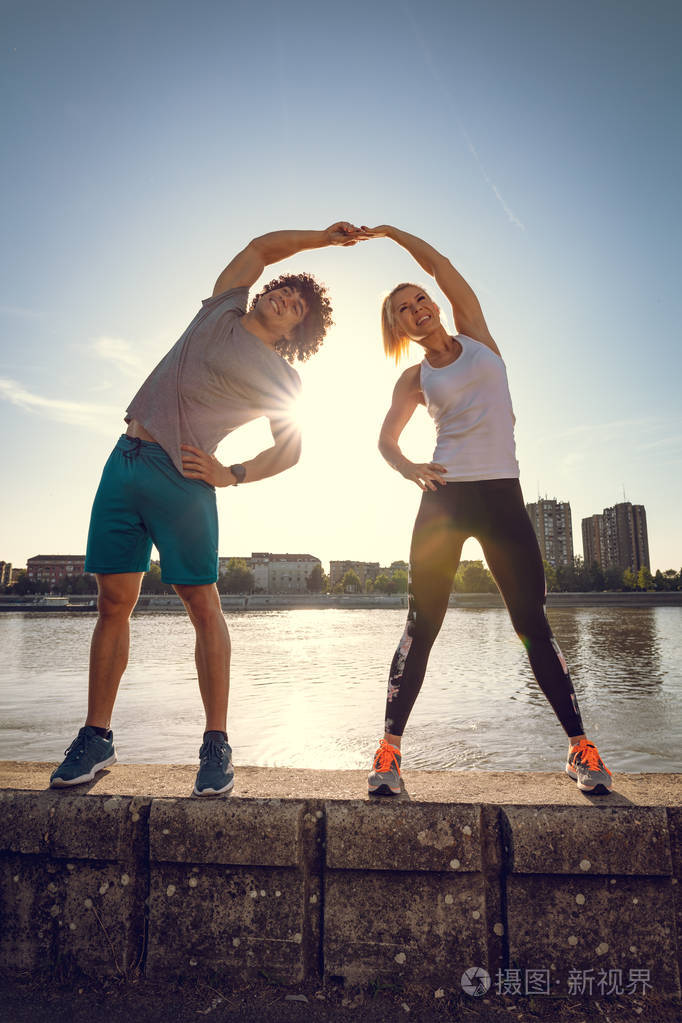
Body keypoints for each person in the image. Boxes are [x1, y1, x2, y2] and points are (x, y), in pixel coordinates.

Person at [50, 221, 366, 796]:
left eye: (299, 307)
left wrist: (232, 474)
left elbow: (291, 448)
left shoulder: (281, 374)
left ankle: (216, 745)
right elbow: (260, 249)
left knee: (202, 606)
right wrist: (324, 237)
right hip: (124, 461)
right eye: (286, 290)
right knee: (113, 601)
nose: (287, 298)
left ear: (298, 330)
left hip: (184, 478)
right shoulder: (220, 308)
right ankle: (96, 739)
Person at [363, 224, 612, 797]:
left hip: (503, 497)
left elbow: (442, 263)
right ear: (398, 327)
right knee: (420, 626)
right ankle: (389, 753)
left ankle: (579, 748)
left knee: (533, 624)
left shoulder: (477, 336)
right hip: (445, 501)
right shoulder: (413, 377)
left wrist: (388, 234)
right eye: (404, 308)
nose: (418, 307)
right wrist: (409, 469)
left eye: (420, 298)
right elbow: (386, 441)